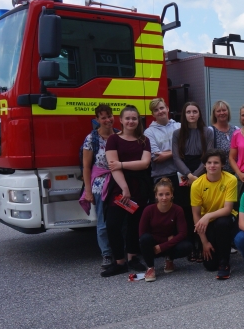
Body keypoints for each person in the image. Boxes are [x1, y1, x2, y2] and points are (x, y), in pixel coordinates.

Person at [101, 105, 152, 277]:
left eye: (134, 118)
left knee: (134, 224)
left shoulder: (144, 140)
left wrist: (122, 164)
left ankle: (132, 258)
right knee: (113, 224)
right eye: (127, 118)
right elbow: (112, 166)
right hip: (119, 186)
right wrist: (124, 189)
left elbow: (144, 163)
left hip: (140, 186)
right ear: (121, 120)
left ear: (138, 121)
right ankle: (119, 262)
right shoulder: (113, 140)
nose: (131, 121)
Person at [172, 101, 214, 259]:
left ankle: (202, 243)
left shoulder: (207, 132)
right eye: (188, 112)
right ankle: (190, 246)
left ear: (199, 114)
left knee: (202, 209)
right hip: (183, 174)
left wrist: (196, 176)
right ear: (184, 115)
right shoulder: (177, 134)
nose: (191, 114)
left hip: (202, 170)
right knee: (186, 211)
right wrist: (189, 175)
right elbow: (176, 158)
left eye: (194, 111)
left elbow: (208, 156)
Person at [80, 104, 118, 271]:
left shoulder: (119, 135)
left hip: (118, 182)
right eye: (103, 117)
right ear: (97, 119)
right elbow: (86, 167)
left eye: (109, 116)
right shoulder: (91, 139)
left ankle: (121, 252)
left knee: (119, 219)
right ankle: (107, 254)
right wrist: (88, 191)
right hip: (99, 184)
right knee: (102, 221)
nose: (107, 120)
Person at [191, 149, 239, 280]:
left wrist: (207, 216)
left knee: (222, 222)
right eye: (209, 162)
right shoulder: (196, 185)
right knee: (210, 266)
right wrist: (204, 242)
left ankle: (225, 263)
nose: (212, 165)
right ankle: (212, 250)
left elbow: (228, 209)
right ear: (205, 165)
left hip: (224, 218)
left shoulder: (231, 179)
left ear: (222, 165)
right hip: (206, 224)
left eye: (216, 163)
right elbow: (196, 215)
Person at [138, 178, 192, 282]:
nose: (164, 198)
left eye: (167, 194)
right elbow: (142, 233)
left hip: (169, 244)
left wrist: (163, 246)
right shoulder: (148, 210)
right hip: (154, 243)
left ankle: (169, 258)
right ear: (156, 195)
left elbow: (183, 233)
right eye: (161, 194)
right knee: (145, 239)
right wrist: (164, 240)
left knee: (187, 246)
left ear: (172, 194)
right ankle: (150, 268)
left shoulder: (177, 209)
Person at [144, 98, 180, 191]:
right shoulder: (149, 132)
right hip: (161, 177)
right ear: (153, 114)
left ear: (167, 108)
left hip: (181, 174)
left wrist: (166, 153)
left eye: (161, 108)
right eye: (156, 110)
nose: (160, 111)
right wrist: (178, 151)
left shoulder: (179, 126)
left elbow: (187, 149)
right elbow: (156, 158)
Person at [209, 99, 239, 173]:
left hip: (237, 173)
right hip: (219, 173)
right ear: (214, 114)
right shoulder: (210, 131)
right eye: (218, 111)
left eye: (224, 110)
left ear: (228, 112)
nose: (222, 113)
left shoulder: (236, 129)